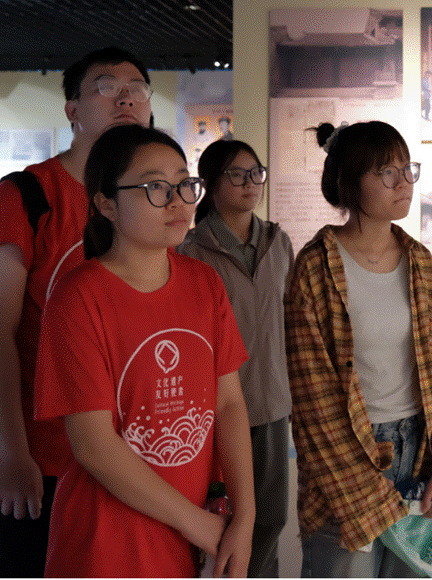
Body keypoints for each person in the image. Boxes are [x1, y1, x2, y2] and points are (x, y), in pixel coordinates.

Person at [34, 124, 256, 577]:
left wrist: (246, 516)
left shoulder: (204, 283)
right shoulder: (79, 297)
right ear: (106, 203)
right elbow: (93, 444)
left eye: (183, 183)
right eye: (155, 186)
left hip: (191, 536)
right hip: (107, 545)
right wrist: (200, 525)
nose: (177, 200)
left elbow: (229, 403)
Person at [0, 46, 153, 577]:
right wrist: (11, 452)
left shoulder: (148, 201)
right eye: (105, 86)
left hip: (135, 449)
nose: (124, 97)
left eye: (137, 88)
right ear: (72, 109)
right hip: (47, 451)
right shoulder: (25, 198)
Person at [285, 120, 432, 577]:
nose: (403, 182)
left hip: (418, 453)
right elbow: (312, 399)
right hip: (345, 458)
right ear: (349, 181)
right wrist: (366, 492)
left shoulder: (420, 262)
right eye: (387, 172)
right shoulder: (315, 268)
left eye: (408, 169)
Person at [178, 139, 294, 577]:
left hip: (271, 405)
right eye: (237, 175)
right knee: (219, 520)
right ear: (210, 183)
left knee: (270, 518)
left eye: (255, 173)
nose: (250, 183)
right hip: (217, 410)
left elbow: (292, 320)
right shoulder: (192, 249)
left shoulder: (278, 242)